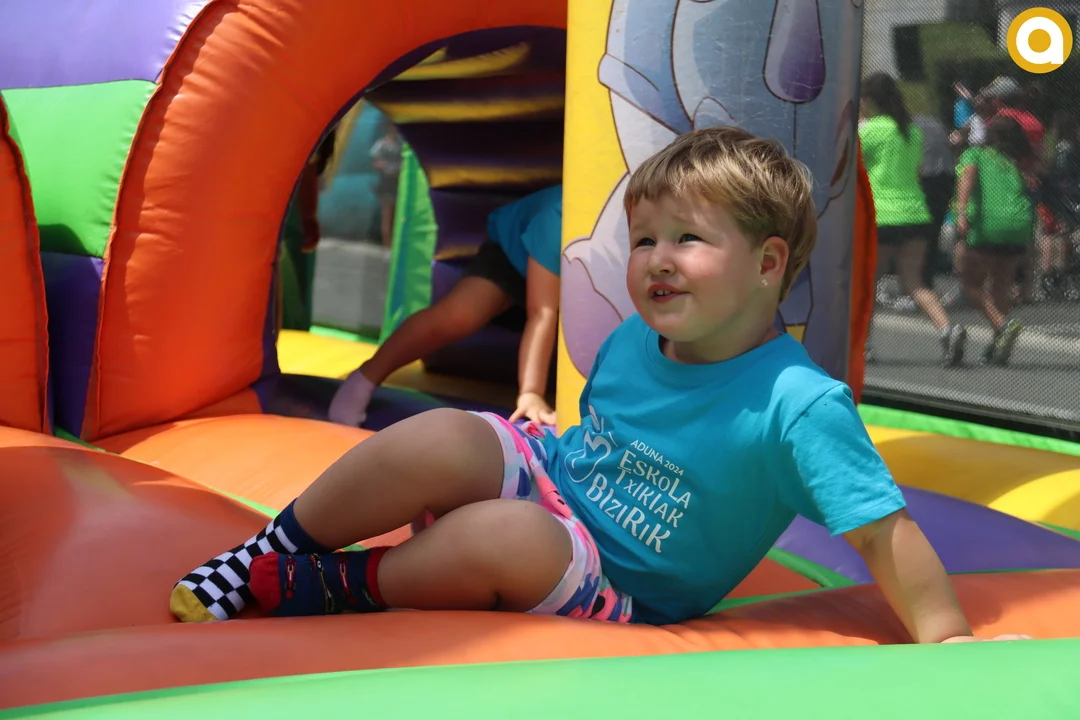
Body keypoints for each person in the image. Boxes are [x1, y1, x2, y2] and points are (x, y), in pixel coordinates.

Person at [169, 127, 1029, 644]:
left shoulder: (797, 405)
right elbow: (586, 445)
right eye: (644, 238)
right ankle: (267, 552)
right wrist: (513, 463)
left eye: (688, 238)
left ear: (769, 264)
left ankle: (348, 584)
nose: (656, 259)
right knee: (443, 433)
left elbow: (883, 533)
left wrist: (948, 641)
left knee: (505, 533)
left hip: (619, 582)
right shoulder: (632, 340)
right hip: (559, 483)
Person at [328, 185, 563, 428]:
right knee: (461, 315)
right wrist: (531, 393)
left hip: (571, 273)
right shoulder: (555, 219)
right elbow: (541, 312)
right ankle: (365, 379)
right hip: (514, 255)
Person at [859, 72, 964, 366]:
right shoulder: (912, 131)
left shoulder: (871, 130)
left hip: (881, 215)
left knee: (868, 283)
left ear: (869, 100)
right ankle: (947, 329)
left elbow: (849, 164)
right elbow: (917, 171)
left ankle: (863, 345)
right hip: (916, 214)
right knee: (915, 282)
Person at [955, 117, 1037, 366]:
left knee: (971, 284)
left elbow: (968, 176)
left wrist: (961, 212)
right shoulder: (1012, 163)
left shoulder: (975, 155)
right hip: (1018, 225)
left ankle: (1003, 326)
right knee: (1001, 285)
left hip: (989, 225)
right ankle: (997, 345)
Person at [370, 123, 403, 248]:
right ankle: (387, 246)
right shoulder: (381, 144)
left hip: (397, 183)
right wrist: (388, 167)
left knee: (397, 217)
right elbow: (375, 163)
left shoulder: (400, 145)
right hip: (386, 183)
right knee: (387, 216)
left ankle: (394, 246)